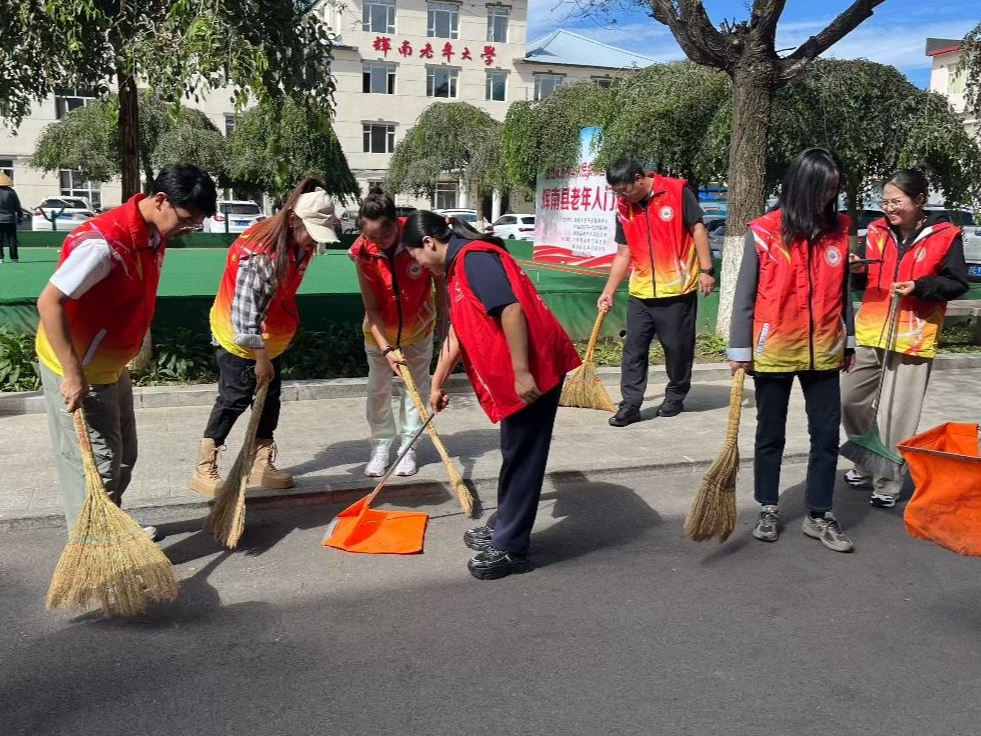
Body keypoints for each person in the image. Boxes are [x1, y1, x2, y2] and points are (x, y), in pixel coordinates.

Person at [36, 164, 218, 536]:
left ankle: (110, 525)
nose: (187, 230)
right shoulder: (103, 245)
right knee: (95, 465)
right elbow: (49, 303)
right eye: (186, 220)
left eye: (195, 225)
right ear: (162, 200)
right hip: (78, 369)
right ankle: (93, 546)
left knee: (122, 458)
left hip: (109, 367)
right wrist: (71, 375)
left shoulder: (153, 235)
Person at [402, 211, 581, 580]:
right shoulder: (457, 267)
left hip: (534, 371)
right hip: (518, 374)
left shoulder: (474, 259)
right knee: (514, 451)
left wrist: (521, 372)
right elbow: (459, 332)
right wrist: (437, 382)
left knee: (524, 457)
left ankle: (512, 547)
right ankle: (504, 523)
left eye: (415, 256)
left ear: (428, 243)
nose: (417, 263)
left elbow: (511, 310)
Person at [728, 147, 856, 553]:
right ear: (803, 186)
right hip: (774, 351)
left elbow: (843, 291)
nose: (829, 197)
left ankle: (819, 514)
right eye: (824, 188)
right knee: (770, 434)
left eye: (835, 189)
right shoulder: (764, 230)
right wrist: (740, 349)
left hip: (825, 351)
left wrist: (848, 340)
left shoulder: (839, 228)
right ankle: (768, 505)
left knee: (824, 435)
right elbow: (744, 295)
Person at [190, 179, 338, 496]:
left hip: (271, 337)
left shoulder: (297, 243)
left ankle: (259, 463)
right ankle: (205, 466)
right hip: (240, 340)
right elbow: (244, 319)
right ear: (294, 220)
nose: (314, 244)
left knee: (269, 401)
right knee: (234, 399)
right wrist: (261, 360)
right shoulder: (260, 255)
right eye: (311, 235)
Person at [841, 169, 969, 508]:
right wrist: (856, 271)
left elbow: (957, 282)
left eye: (896, 202)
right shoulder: (877, 231)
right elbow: (863, 282)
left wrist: (922, 286)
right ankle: (866, 460)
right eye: (884, 202)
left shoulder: (945, 234)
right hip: (871, 328)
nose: (889, 209)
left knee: (897, 414)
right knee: (849, 400)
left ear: (920, 200)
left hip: (913, 334)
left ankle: (887, 481)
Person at [598, 158, 716, 427]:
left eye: (624, 189)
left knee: (677, 349)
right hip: (641, 293)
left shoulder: (675, 192)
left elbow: (698, 229)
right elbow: (623, 252)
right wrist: (609, 291)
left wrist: (707, 270)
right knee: (633, 351)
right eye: (616, 192)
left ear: (639, 178)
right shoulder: (624, 208)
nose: (621, 196)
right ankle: (630, 405)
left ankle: (675, 394)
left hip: (677, 290)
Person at [350, 188, 439, 478]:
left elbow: (441, 279)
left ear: (395, 224)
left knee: (416, 390)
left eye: (383, 236)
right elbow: (372, 309)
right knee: (378, 390)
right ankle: (380, 446)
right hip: (379, 335)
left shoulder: (417, 238)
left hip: (419, 329)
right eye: (370, 237)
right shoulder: (363, 252)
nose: (376, 242)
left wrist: (446, 323)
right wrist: (387, 349)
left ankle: (408, 447)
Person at [0, 171, 22, 264]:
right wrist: (20, 215)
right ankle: (14, 258)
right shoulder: (11, 191)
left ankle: (0, 258)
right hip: (10, 219)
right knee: (12, 239)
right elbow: (17, 205)